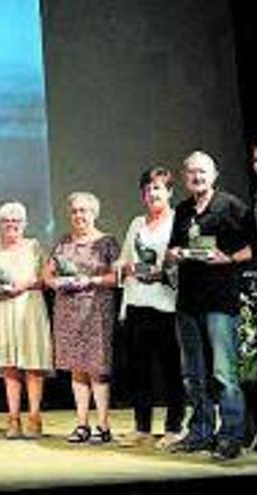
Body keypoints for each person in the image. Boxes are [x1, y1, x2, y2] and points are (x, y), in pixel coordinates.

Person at [166, 151, 254, 460]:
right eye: (191, 172)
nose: (197, 177)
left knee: (224, 374)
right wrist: (174, 254)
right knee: (193, 374)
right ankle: (200, 432)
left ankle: (231, 435)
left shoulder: (231, 206)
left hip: (220, 301)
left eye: (202, 172)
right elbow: (172, 248)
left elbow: (252, 246)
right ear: (185, 177)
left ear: (214, 175)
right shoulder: (182, 209)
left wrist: (229, 258)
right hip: (187, 301)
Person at [115, 167, 184, 449]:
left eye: (157, 188)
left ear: (169, 192)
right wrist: (124, 267)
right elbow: (123, 261)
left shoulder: (179, 222)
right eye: (147, 189)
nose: (152, 193)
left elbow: (184, 261)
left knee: (170, 369)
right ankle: (142, 427)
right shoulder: (136, 223)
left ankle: (174, 427)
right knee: (138, 369)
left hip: (166, 305)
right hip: (136, 303)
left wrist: (163, 271)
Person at [44, 192, 119, 444]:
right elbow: (48, 274)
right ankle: (82, 424)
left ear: (94, 213)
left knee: (97, 369)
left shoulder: (107, 242)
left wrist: (91, 280)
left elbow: (116, 277)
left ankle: (103, 426)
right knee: (76, 369)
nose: (79, 215)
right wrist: (56, 282)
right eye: (75, 211)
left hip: (96, 311)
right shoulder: (63, 242)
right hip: (67, 311)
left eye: (84, 211)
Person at [0, 201, 52, 439]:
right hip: (4, 309)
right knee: (10, 366)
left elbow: (46, 278)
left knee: (32, 364)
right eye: (6, 221)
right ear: (0, 225)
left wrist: (23, 285)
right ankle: (13, 418)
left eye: (16, 221)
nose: (11, 225)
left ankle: (34, 416)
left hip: (30, 307)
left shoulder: (34, 246)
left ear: (24, 224)